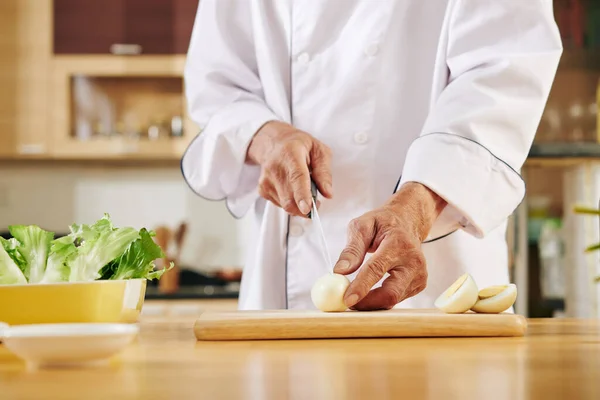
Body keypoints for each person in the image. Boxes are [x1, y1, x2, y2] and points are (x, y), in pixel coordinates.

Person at [181, 0, 562, 311]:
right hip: (288, 274)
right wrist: (266, 137)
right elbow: (217, 86)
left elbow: (505, 74)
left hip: (436, 274)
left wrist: (416, 208)